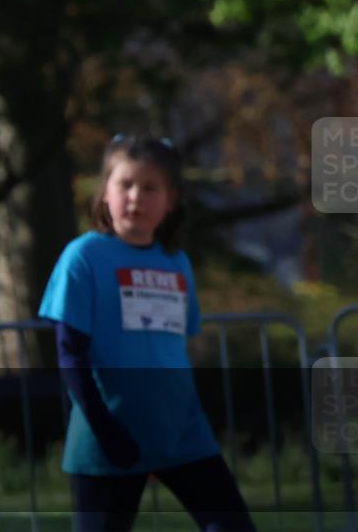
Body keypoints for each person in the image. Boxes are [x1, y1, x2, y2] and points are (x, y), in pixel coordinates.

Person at [39, 135, 256, 532]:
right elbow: (71, 354)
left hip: (183, 436)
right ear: (105, 191)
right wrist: (108, 432)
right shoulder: (83, 256)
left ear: (170, 200)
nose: (136, 196)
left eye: (150, 187)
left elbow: (174, 351)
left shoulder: (177, 263)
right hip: (107, 440)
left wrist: (168, 429)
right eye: (125, 184)